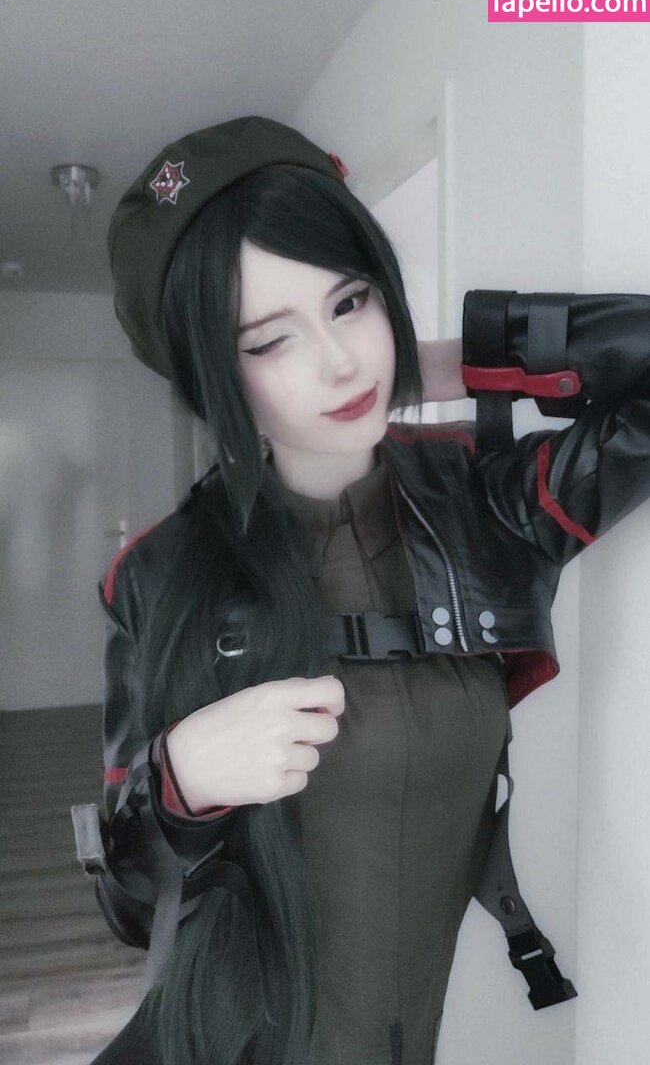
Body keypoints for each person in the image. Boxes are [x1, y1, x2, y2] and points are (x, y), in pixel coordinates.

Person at [85, 116, 650, 1065]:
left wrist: (466, 356)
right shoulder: (159, 574)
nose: (340, 361)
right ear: (214, 376)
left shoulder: (488, 504)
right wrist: (180, 780)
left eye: (349, 303)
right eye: (271, 341)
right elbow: (129, 908)